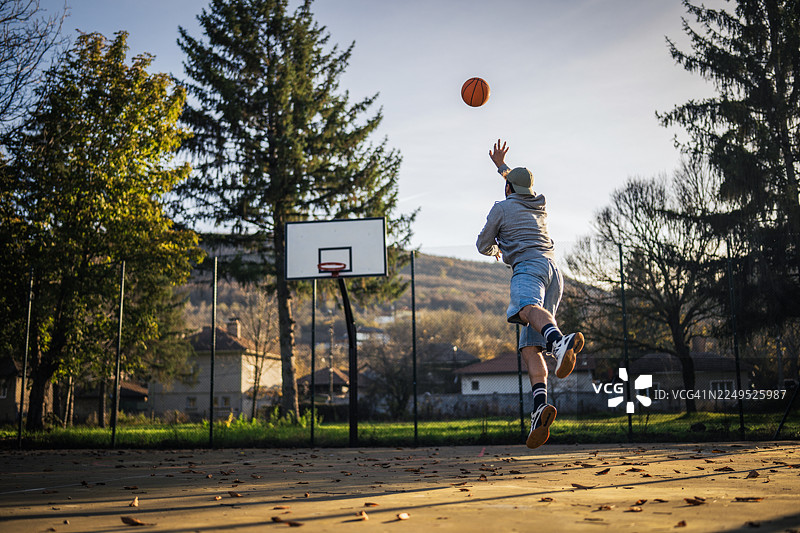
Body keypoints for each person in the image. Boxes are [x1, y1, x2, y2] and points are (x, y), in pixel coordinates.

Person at [476, 139, 584, 449]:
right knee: (529, 350)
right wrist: (502, 167)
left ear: (507, 190)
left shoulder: (502, 207)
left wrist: (495, 248)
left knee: (525, 307)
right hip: (553, 273)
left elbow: (483, 243)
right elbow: (517, 182)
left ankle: (559, 342)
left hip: (528, 268)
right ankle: (540, 409)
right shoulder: (539, 204)